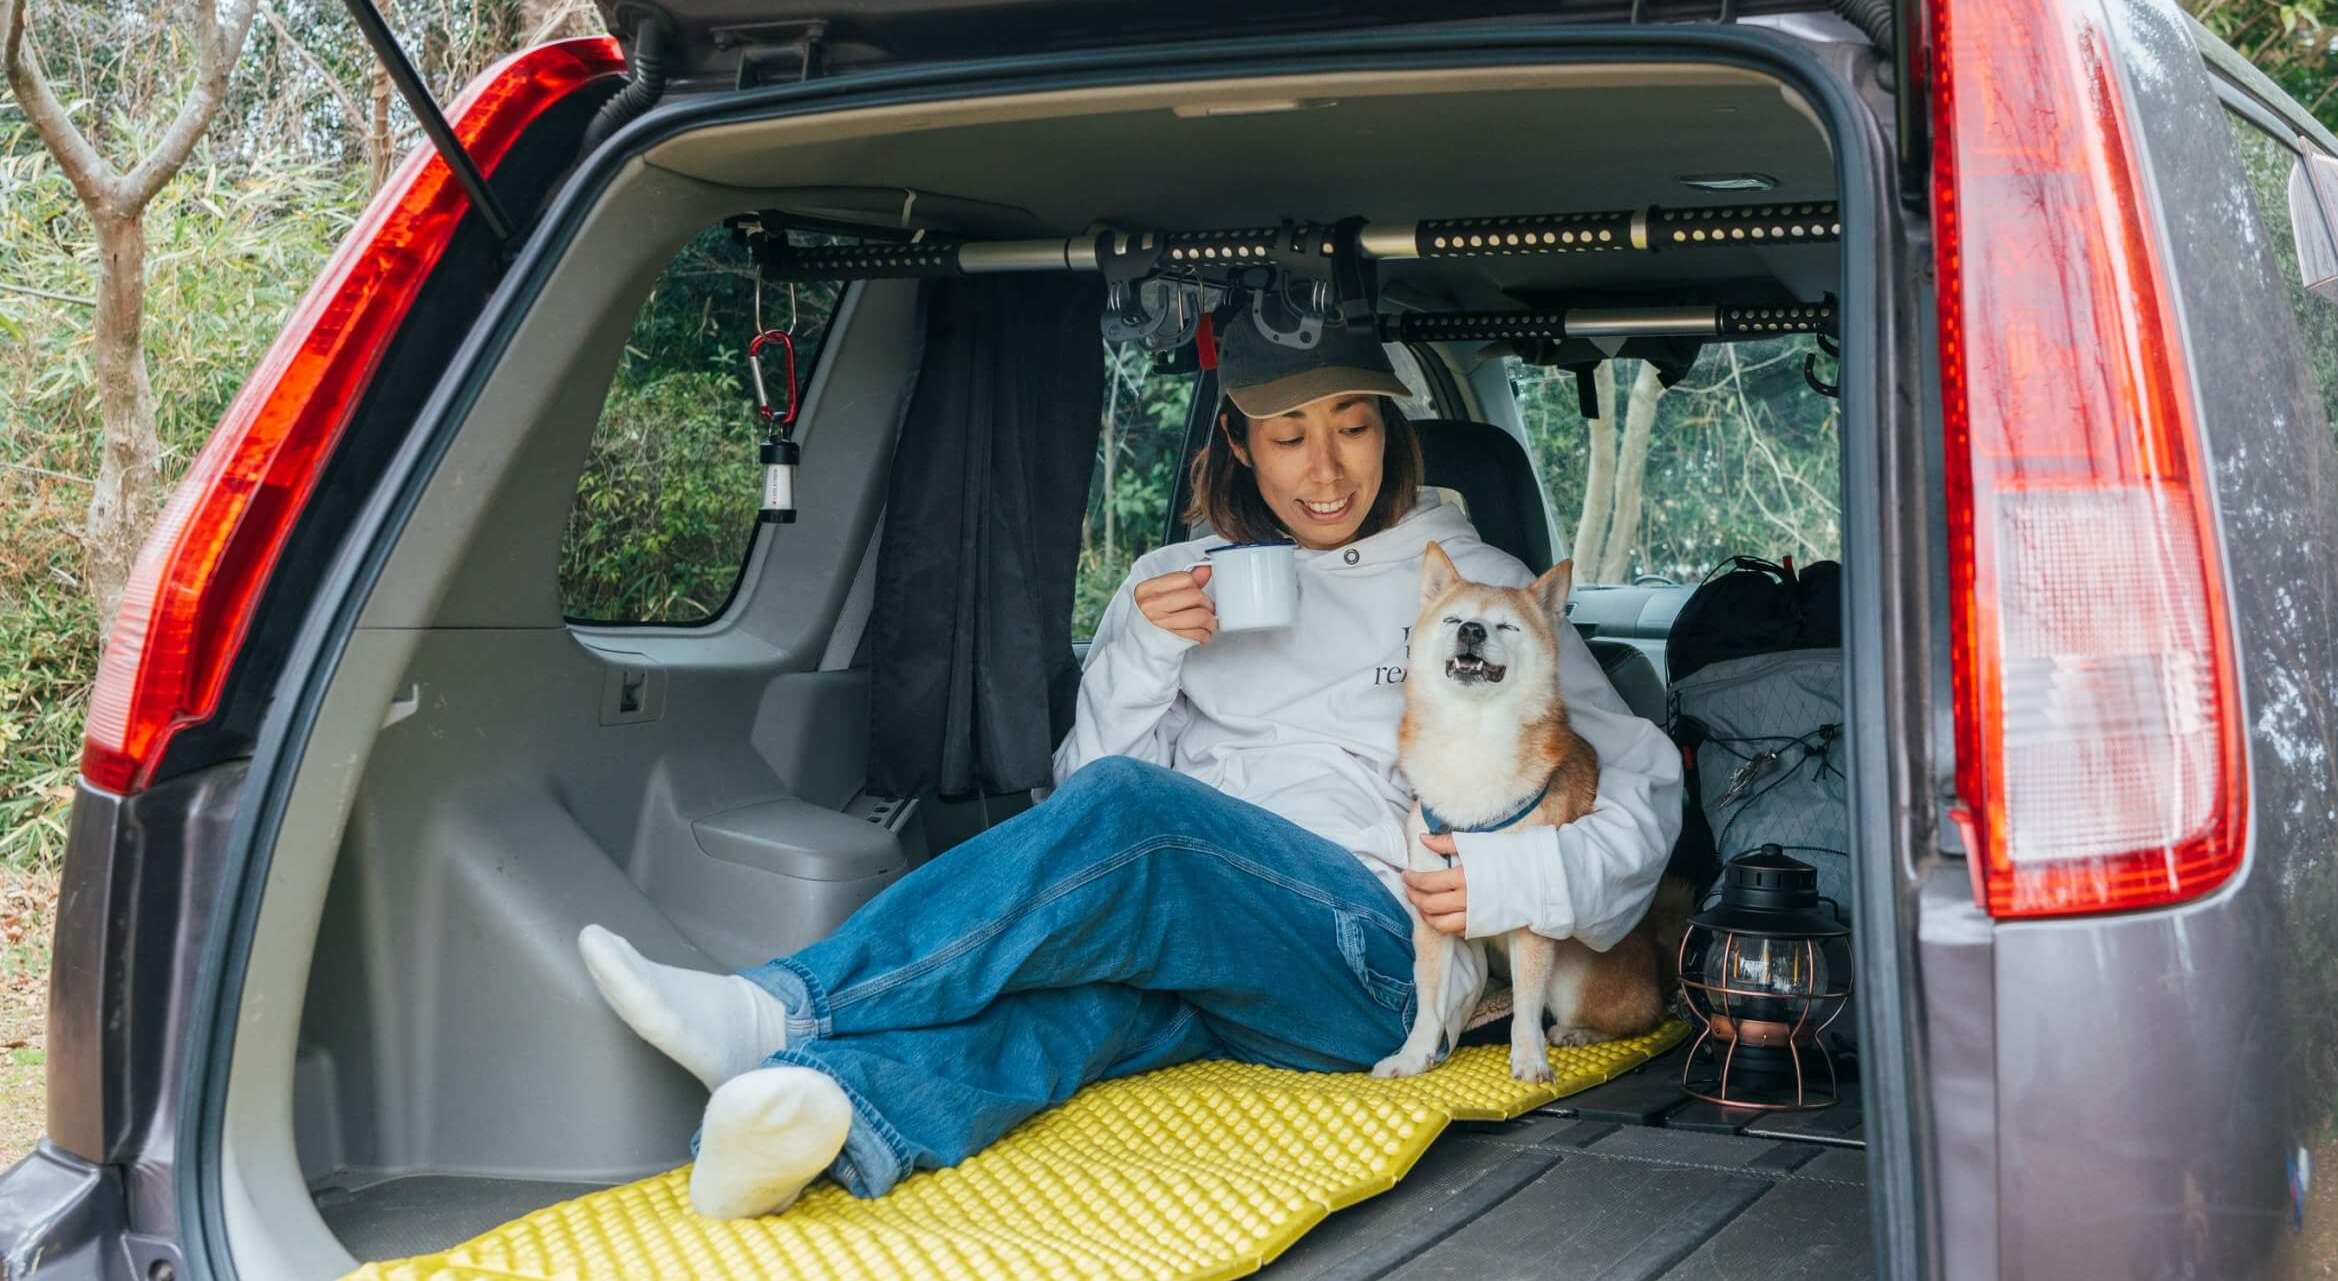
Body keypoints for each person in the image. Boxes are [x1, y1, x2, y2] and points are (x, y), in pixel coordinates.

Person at [578, 318, 1684, 1217]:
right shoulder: (1169, 582)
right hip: (1206, 941)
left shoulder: (1475, 587)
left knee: (1141, 822)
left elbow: (1636, 774)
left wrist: (1513, 888)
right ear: (1241, 447)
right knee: (1077, 1011)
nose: (1327, 465)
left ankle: (782, 1008)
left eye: (1353, 426)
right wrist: (1149, 651)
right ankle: (825, 1117)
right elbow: (1082, 822)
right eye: (1289, 435)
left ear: (1392, 435)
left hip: (1375, 956)